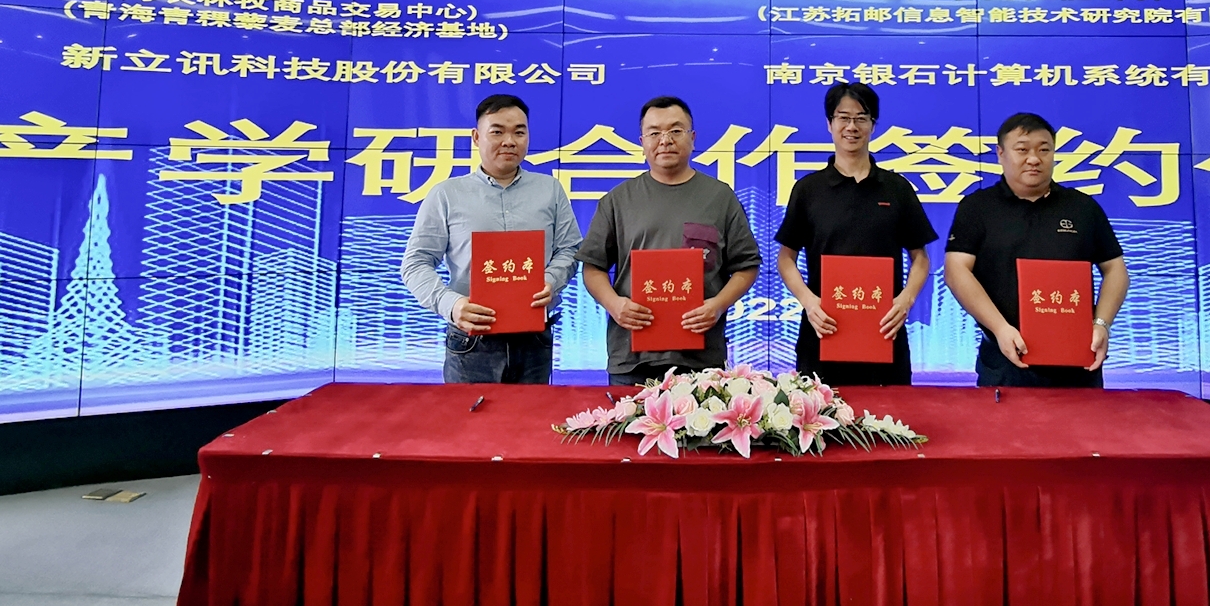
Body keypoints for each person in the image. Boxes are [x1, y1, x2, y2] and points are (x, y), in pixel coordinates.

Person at [577, 95, 761, 386]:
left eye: (676, 130)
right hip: (632, 357)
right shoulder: (618, 200)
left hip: (701, 358)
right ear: (642, 142)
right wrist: (614, 304)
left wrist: (717, 305)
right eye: (654, 133)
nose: (665, 140)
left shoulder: (720, 197)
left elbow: (746, 265)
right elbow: (593, 266)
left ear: (693, 138)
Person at [401, 93, 582, 384]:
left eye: (519, 132)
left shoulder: (550, 190)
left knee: (534, 414)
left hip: (534, 338)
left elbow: (570, 248)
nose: (509, 141)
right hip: (471, 339)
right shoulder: (447, 194)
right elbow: (416, 263)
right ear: (476, 137)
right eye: (497, 132)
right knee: (469, 415)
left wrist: (551, 280)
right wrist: (451, 304)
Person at [943, 111, 1129, 388]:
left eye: (1044, 150)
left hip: (1078, 362)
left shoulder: (1082, 208)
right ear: (1000, 153)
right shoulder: (977, 207)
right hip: (1005, 358)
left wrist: (1102, 324)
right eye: (1022, 150)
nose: (1034, 159)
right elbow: (956, 270)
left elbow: (1115, 269)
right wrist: (1000, 328)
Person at [774, 82, 936, 386]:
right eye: (843, 118)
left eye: (861, 118)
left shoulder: (897, 188)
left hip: (884, 331)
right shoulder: (808, 190)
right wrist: (809, 302)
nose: (852, 126)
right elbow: (785, 258)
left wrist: (905, 300)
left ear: (873, 125)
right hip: (823, 330)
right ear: (829, 124)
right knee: (821, 413)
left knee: (892, 414)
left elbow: (921, 258)